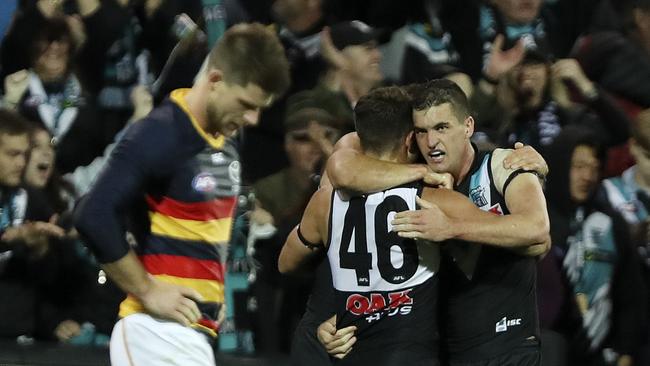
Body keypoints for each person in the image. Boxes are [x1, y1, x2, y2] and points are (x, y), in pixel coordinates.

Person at [279, 85, 548, 366]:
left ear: (468, 126)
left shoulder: (503, 165)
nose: (431, 141)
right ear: (410, 138)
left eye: (442, 127)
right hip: (443, 347)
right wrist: (344, 316)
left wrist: (451, 228)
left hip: (504, 344)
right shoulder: (420, 183)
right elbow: (341, 166)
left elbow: (540, 237)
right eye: (422, 131)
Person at [73, 23, 289, 365]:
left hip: (193, 335)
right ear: (216, 80)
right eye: (247, 104)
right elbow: (93, 214)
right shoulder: (160, 133)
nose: (253, 118)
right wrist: (147, 290)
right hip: (154, 333)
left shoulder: (225, 138)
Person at [539, 125, 646, 366]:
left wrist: (625, 351)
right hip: (546, 350)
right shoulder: (536, 218)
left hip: (601, 354)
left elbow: (629, 293)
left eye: (594, 168)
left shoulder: (610, 223)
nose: (588, 176)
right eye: (578, 166)